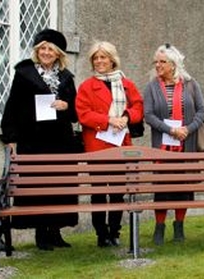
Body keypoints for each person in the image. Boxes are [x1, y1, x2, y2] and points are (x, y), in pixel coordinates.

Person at [0, 29, 82, 251]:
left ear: (58, 54)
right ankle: (41, 234)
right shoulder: (24, 73)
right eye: (42, 48)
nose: (46, 52)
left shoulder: (66, 77)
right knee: (39, 187)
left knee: (59, 187)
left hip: (61, 141)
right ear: (37, 51)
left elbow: (76, 112)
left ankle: (55, 232)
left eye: (50, 49)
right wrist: (10, 138)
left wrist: (66, 106)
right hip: (33, 140)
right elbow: (12, 107)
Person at [76, 41, 144, 247]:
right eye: (96, 58)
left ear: (112, 59)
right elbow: (83, 113)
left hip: (120, 144)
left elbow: (138, 106)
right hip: (97, 145)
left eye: (103, 57)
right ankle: (100, 234)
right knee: (98, 192)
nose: (99, 61)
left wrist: (126, 116)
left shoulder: (126, 84)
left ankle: (114, 231)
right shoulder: (87, 86)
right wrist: (107, 120)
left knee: (117, 191)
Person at [143, 44, 204, 245]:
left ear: (173, 64)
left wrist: (187, 129)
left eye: (162, 62)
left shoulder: (190, 84)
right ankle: (159, 227)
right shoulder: (152, 86)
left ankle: (179, 226)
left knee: (184, 188)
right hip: (162, 147)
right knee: (162, 189)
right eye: (156, 61)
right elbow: (148, 115)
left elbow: (201, 111)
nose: (158, 65)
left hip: (186, 145)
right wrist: (170, 130)